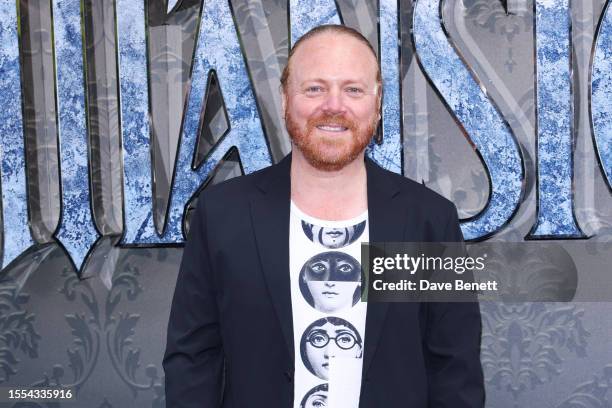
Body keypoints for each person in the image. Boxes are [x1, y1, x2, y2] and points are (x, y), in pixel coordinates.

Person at [163, 24, 484, 407]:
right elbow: (193, 360)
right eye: (315, 88)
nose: (334, 105)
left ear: (377, 102)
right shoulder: (223, 216)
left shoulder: (427, 221)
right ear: (285, 99)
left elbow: (453, 368)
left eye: (353, 89)